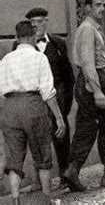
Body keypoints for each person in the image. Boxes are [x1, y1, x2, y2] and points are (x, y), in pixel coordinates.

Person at [0, 21, 66, 204]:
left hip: (10, 106)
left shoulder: (6, 59)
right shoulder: (39, 57)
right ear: (32, 36)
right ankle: (46, 199)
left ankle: (15, 200)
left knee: (14, 158)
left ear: (16, 37)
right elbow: (48, 91)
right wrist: (59, 118)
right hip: (33, 104)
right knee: (43, 154)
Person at [63, 0, 105, 191]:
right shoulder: (88, 28)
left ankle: (73, 169)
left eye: (104, 5)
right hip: (92, 78)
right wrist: (97, 90)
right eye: (98, 5)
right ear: (87, 8)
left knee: (87, 127)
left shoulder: (91, 28)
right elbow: (88, 62)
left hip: (94, 78)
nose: (103, 9)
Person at [12, 8, 75, 189]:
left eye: (40, 21)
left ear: (46, 21)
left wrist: (66, 103)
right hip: (33, 102)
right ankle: (38, 181)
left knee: (61, 139)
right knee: (36, 141)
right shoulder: (19, 47)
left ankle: (65, 176)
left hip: (55, 100)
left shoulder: (58, 43)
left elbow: (68, 75)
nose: (36, 26)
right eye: (32, 23)